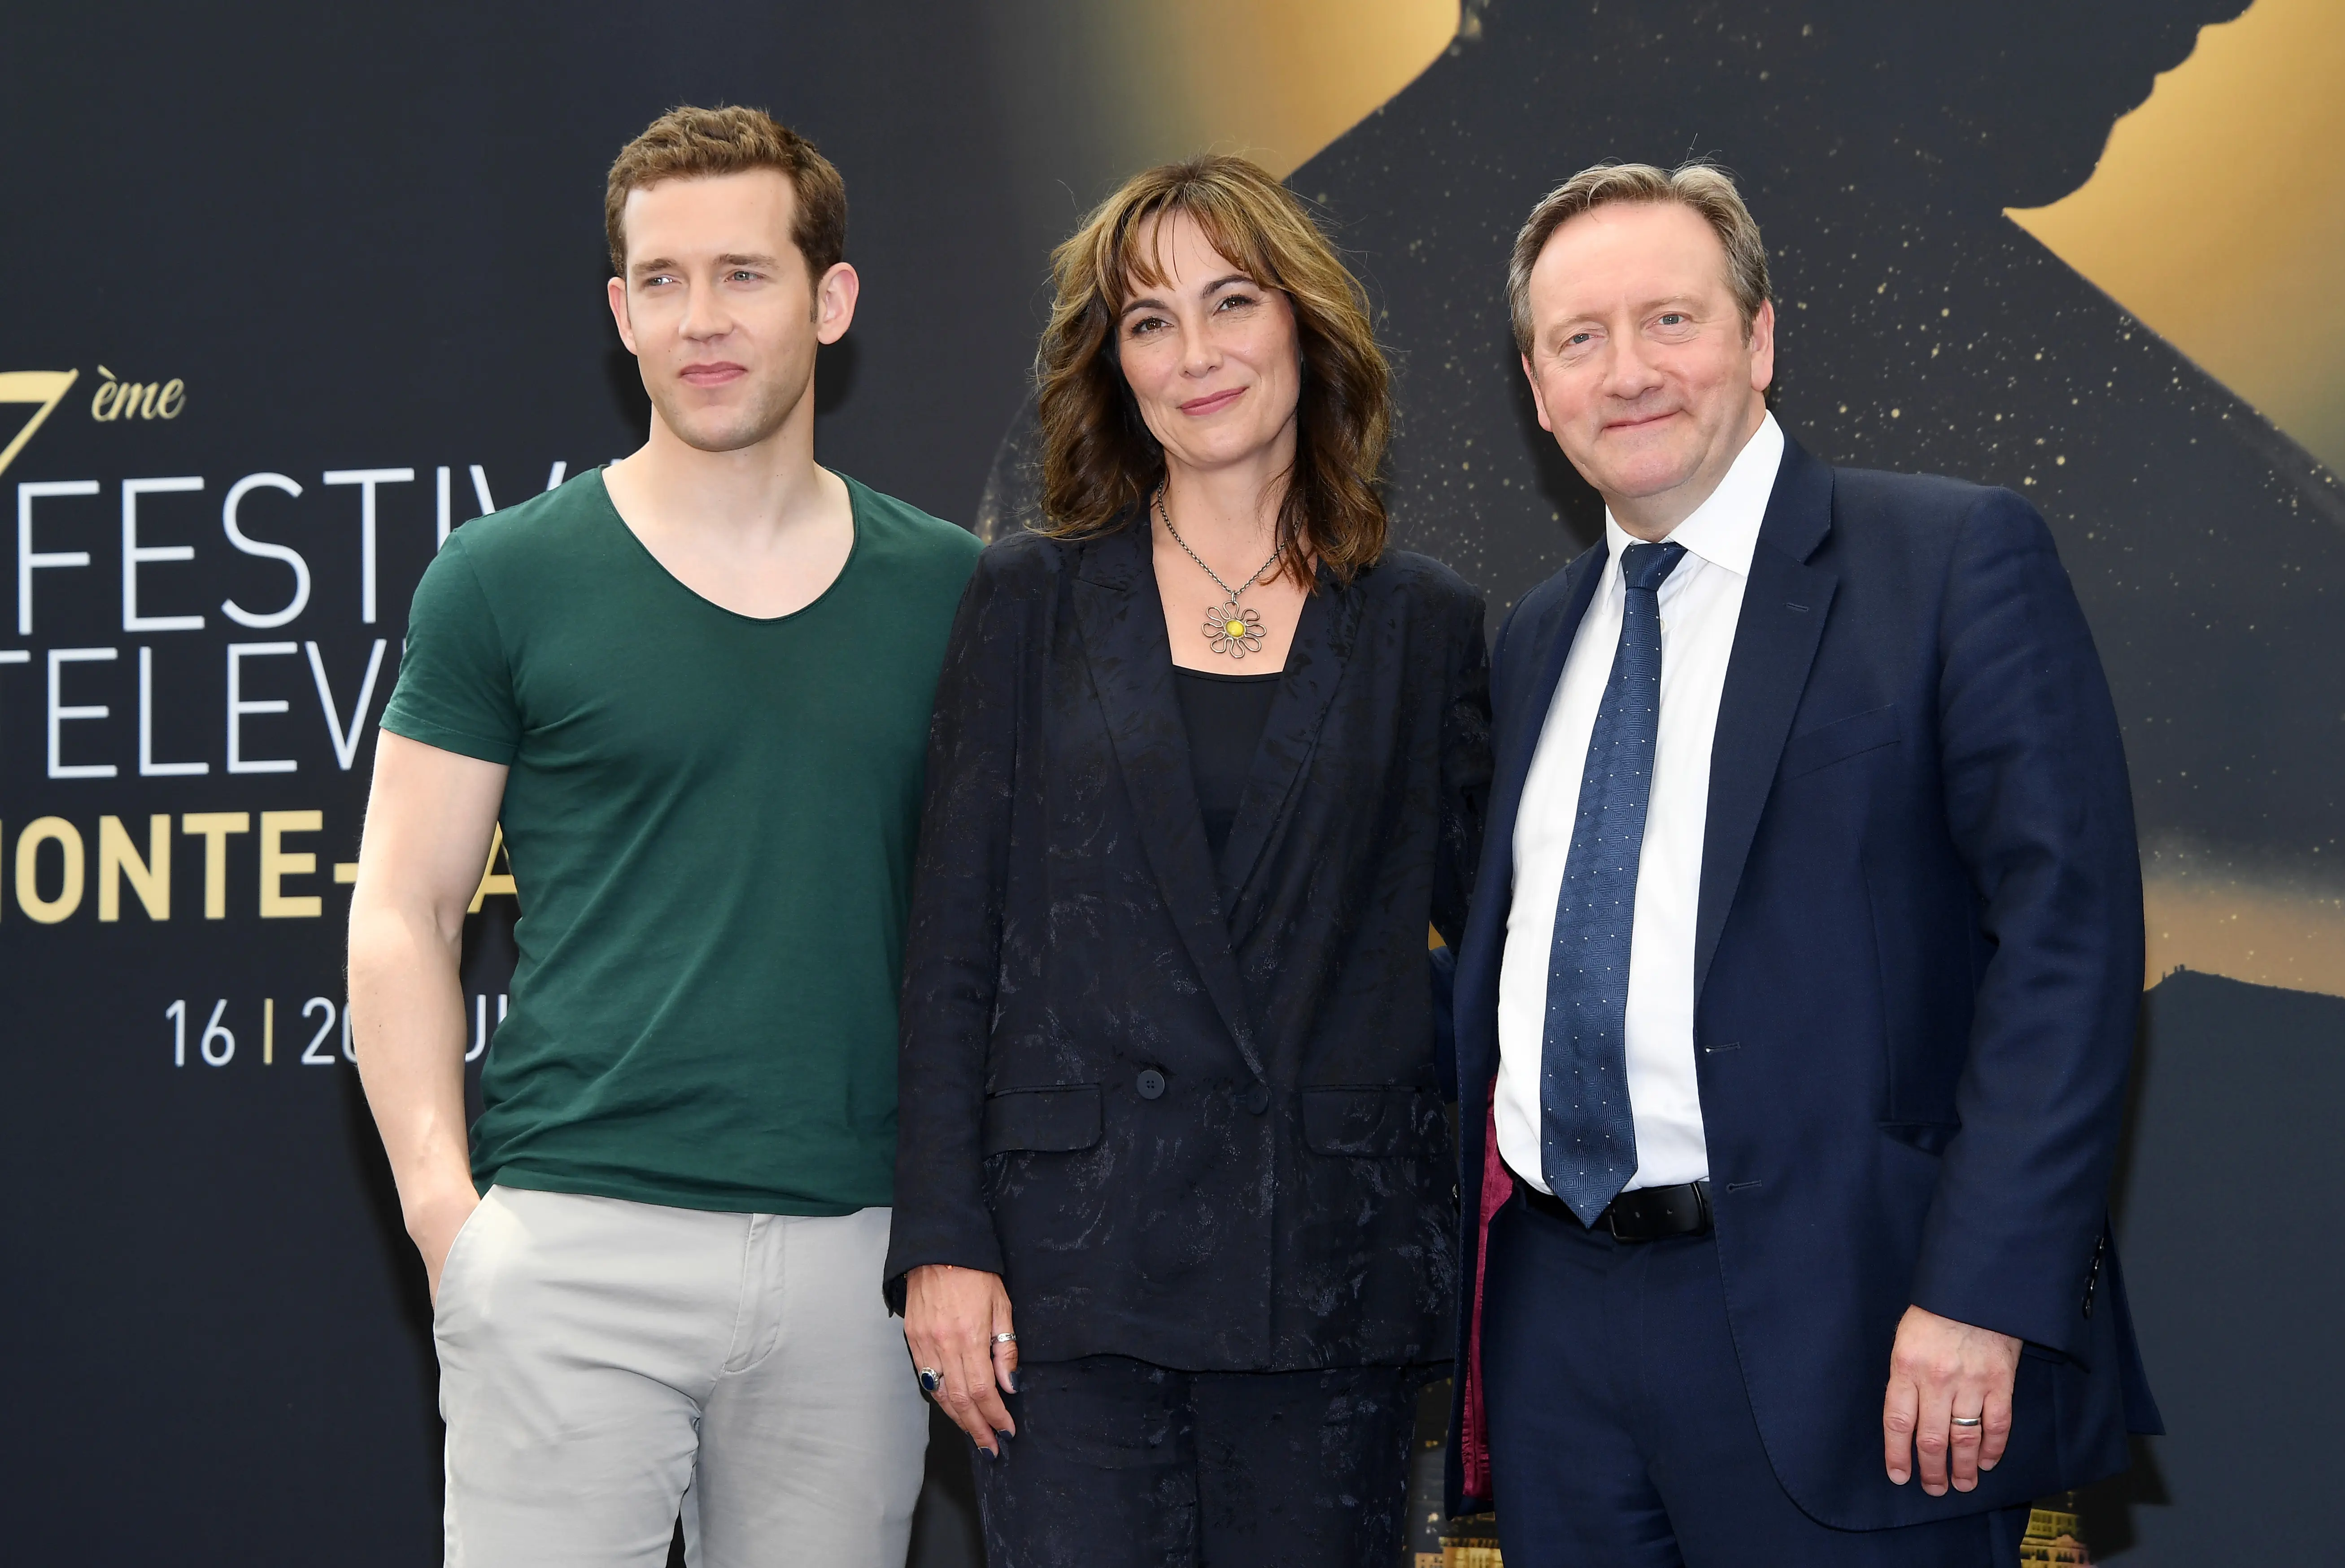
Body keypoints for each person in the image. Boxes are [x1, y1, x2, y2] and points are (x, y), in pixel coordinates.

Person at [1445, 161, 2159, 1566]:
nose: (1627, 371)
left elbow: (2065, 953)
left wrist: (1983, 1294)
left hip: (1857, 1327)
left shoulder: (1949, 561)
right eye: (1578, 339)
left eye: (1670, 320)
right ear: (1536, 389)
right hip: (1553, 1331)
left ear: (1759, 337)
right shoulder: (1534, 636)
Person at [346, 105, 981, 1567]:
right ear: (621, 311)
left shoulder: (957, 592)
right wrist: (450, 1224)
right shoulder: (501, 579)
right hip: (571, 1247)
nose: (703, 319)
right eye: (663, 280)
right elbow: (403, 908)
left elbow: (998, 946)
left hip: (855, 1259)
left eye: (745, 274)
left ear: (830, 300)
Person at [885, 154, 1491, 1567]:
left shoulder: (1422, 625)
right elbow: (952, 948)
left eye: (1231, 302)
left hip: (1325, 1270)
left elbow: (1501, 959)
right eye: (1149, 321)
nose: (1196, 353)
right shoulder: (1026, 599)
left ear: (1304, 326)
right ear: (1113, 367)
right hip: (1068, 1278)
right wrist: (944, 1243)